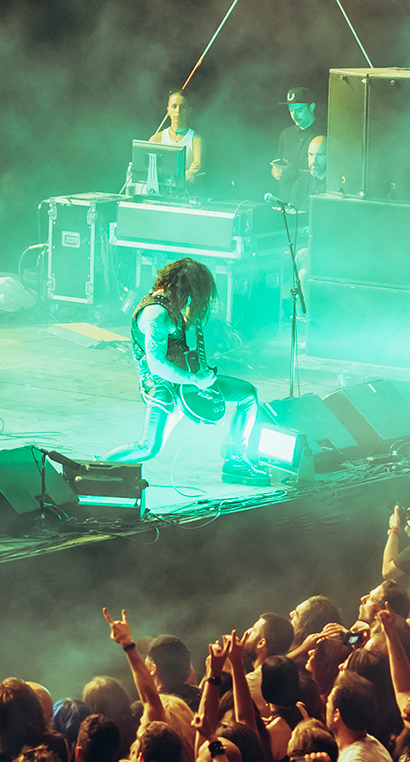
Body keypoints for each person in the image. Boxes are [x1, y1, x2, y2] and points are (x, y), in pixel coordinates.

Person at [103, 258, 264, 484]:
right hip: (161, 386)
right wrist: (194, 380)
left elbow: (180, 344)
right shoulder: (156, 314)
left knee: (248, 395)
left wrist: (198, 372)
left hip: (187, 379)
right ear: (189, 292)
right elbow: (157, 365)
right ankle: (96, 468)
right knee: (148, 448)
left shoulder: (174, 304)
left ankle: (235, 458)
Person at [271, 85, 323, 207]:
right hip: (286, 199)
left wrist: (294, 172)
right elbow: (278, 162)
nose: (294, 115)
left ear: (312, 107)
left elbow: (328, 171)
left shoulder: (323, 133)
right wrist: (276, 171)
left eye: (299, 110)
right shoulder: (286, 134)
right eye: (291, 110)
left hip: (309, 200)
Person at [148, 91, 202, 185]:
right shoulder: (155, 139)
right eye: (174, 106)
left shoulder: (196, 140)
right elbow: (147, 171)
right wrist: (182, 176)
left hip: (187, 193)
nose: (178, 111)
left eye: (183, 107)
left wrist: (167, 178)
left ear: (189, 110)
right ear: (168, 110)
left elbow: (195, 173)